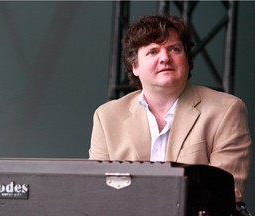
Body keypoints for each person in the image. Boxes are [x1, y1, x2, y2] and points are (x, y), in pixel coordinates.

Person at [89, 14, 251, 204]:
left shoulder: (226, 110)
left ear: (187, 60)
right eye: (152, 52)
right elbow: (97, 191)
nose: (165, 58)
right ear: (135, 66)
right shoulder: (107, 116)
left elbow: (226, 193)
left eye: (174, 49)